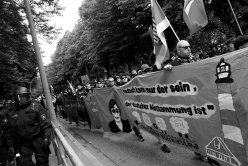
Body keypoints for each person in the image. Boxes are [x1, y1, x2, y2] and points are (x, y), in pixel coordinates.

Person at [164, 40, 220, 165]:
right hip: (187, 103)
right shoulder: (173, 64)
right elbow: (164, 82)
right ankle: (201, 152)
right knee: (195, 128)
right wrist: (166, 71)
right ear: (178, 50)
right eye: (185, 47)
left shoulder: (195, 60)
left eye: (189, 46)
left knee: (206, 126)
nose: (189, 49)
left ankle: (210, 154)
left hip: (200, 99)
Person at [10, 86, 52, 166]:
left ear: (28, 96)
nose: (22, 99)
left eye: (23, 97)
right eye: (19, 97)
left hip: (37, 139)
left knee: (42, 161)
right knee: (25, 163)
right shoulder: (13, 112)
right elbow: (12, 131)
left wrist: (46, 137)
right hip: (23, 142)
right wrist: (12, 145)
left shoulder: (36, 107)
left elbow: (46, 123)